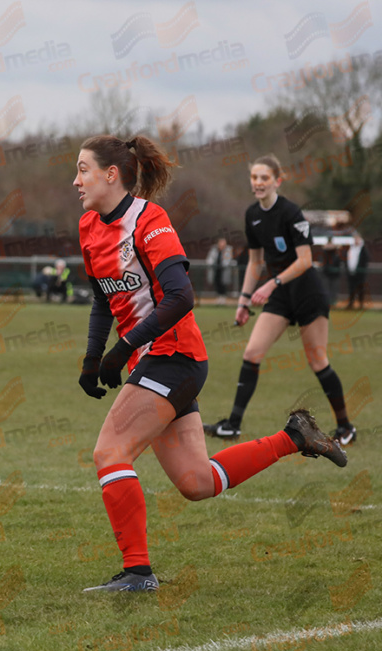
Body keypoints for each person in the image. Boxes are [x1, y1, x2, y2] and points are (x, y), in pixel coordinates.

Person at [74, 136, 347, 593]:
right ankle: (293, 436)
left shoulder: (148, 219)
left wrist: (123, 349)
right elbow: (104, 300)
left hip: (173, 355)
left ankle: (138, 573)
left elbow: (182, 297)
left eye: (83, 169)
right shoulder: (88, 226)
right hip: (156, 360)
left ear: (111, 174)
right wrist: (91, 358)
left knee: (110, 452)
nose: (75, 180)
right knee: (196, 482)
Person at [204, 155, 357, 445]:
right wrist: (243, 301)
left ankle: (346, 427)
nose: (258, 183)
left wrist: (272, 283)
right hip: (281, 296)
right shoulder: (252, 215)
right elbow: (254, 262)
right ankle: (232, 425)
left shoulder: (291, 213)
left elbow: (304, 261)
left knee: (317, 361)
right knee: (251, 353)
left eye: (264, 178)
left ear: (278, 180)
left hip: (307, 293)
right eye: (254, 177)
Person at [345, 231, 370, 310]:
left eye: (357, 239)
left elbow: (366, 259)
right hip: (351, 273)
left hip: (360, 273)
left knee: (360, 288)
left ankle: (361, 303)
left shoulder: (363, 249)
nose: (356, 240)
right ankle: (351, 304)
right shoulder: (350, 248)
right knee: (351, 288)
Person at [205, 237, 233, 305]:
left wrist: (224, 265)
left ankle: (223, 298)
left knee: (223, 284)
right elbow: (210, 259)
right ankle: (218, 297)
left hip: (224, 271)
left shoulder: (228, 250)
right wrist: (211, 264)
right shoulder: (214, 249)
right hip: (215, 270)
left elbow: (227, 260)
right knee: (216, 283)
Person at [320, 240, 342, 306]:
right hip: (326, 274)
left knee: (333, 289)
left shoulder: (336, 254)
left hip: (334, 275)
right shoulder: (325, 254)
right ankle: (327, 302)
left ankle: (333, 302)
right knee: (326, 289)